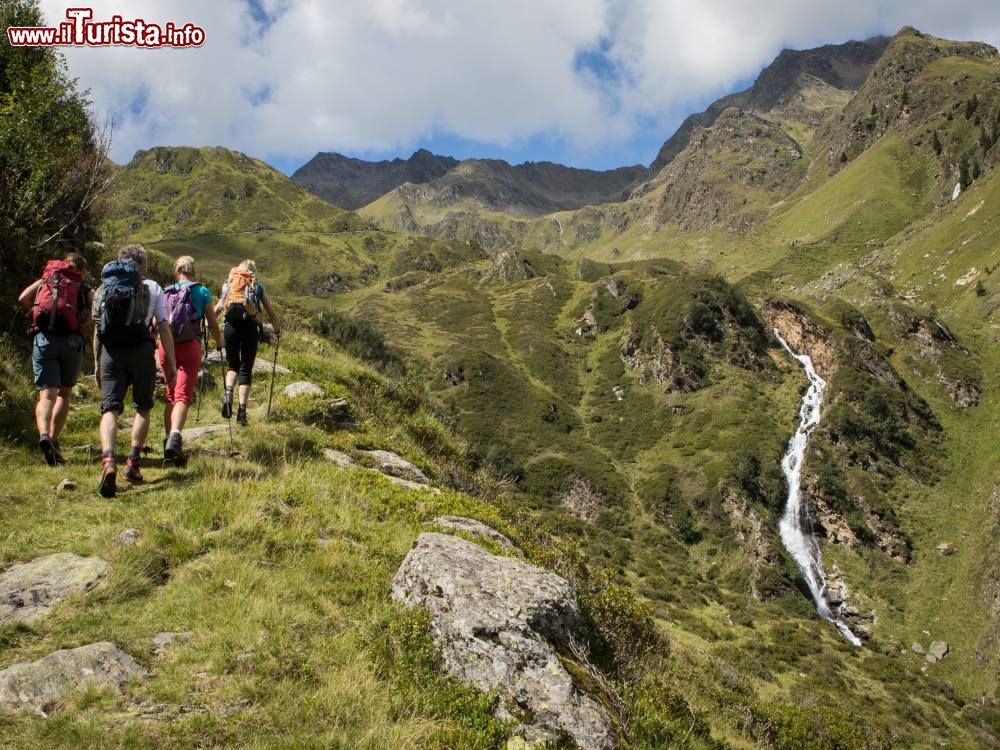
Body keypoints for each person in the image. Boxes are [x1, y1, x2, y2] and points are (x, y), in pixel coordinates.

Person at [93, 244, 177, 498]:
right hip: (141, 350)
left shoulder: (104, 287)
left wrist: (96, 363)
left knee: (110, 409)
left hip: (110, 351)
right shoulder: (151, 287)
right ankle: (133, 463)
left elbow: (97, 328)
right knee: (143, 407)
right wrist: (171, 363)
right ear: (142, 264)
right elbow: (163, 326)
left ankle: (108, 460)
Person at [17, 252, 94, 466]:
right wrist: (81, 323)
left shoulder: (47, 278)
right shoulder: (83, 286)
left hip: (44, 338)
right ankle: (53, 439)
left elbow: (22, 298)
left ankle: (42, 435)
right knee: (64, 394)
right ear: (82, 270)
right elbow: (94, 308)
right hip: (71, 341)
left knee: (46, 396)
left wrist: (35, 315)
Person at [159, 255, 223, 465]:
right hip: (190, 346)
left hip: (166, 347)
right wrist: (219, 341)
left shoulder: (166, 291)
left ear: (176, 271)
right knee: (183, 396)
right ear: (192, 271)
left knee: (170, 394)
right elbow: (212, 323)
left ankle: (168, 441)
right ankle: (176, 438)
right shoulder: (202, 291)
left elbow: (155, 322)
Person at [215, 259, 280, 426]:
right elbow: (270, 313)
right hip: (250, 328)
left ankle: (228, 394)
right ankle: (242, 412)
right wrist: (277, 330)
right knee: (245, 369)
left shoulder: (229, 283)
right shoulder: (256, 286)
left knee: (232, 365)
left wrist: (208, 323)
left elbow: (220, 305)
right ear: (253, 271)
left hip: (230, 327)